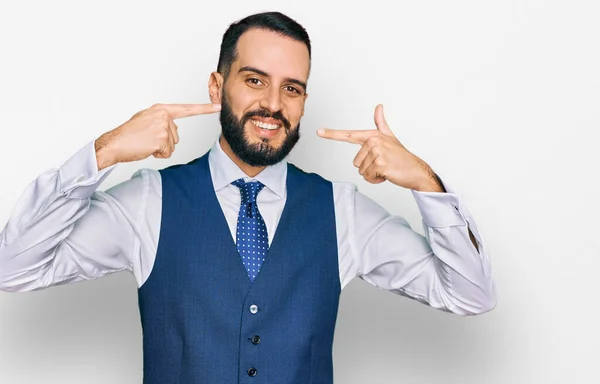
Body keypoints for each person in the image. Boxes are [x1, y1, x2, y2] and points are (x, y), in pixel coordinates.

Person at [0, 11, 496, 384]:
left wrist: (426, 184)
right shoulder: (149, 202)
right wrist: (103, 152)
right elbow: (14, 268)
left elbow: (470, 295)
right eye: (254, 80)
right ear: (218, 86)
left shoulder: (343, 213)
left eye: (292, 88)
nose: (273, 105)